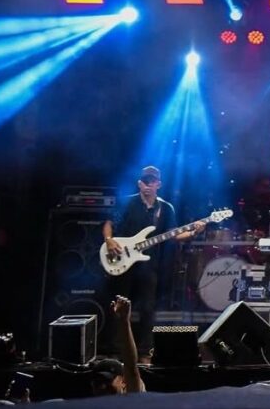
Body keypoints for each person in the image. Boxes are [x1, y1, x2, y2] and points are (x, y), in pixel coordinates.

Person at [102, 166, 204, 354]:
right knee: (119, 306)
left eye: (152, 181)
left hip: (149, 264)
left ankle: (145, 350)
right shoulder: (127, 202)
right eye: (145, 181)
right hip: (122, 259)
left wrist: (193, 232)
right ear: (139, 183)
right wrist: (109, 240)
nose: (148, 185)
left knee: (148, 307)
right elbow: (109, 223)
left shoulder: (165, 208)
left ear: (159, 184)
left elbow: (173, 235)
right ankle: (116, 349)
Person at [89, 296, 145, 395]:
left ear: (123, 382)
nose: (102, 386)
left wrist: (124, 321)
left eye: (107, 380)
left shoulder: (130, 398)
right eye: (98, 382)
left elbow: (131, 368)